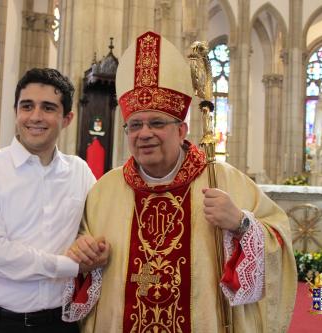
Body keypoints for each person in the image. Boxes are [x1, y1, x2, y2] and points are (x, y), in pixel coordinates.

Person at [64, 31, 297, 332]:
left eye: (157, 122)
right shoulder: (103, 192)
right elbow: (80, 266)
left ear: (182, 129)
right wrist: (84, 257)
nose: (144, 133)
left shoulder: (223, 180)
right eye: (135, 125)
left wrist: (240, 224)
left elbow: (279, 240)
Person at [0, 68, 108, 333]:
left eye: (48, 108)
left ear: (67, 118)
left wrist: (95, 246)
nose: (35, 117)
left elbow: (101, 227)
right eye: (27, 106)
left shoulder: (80, 172)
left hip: (60, 324)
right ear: (16, 111)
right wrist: (70, 265)